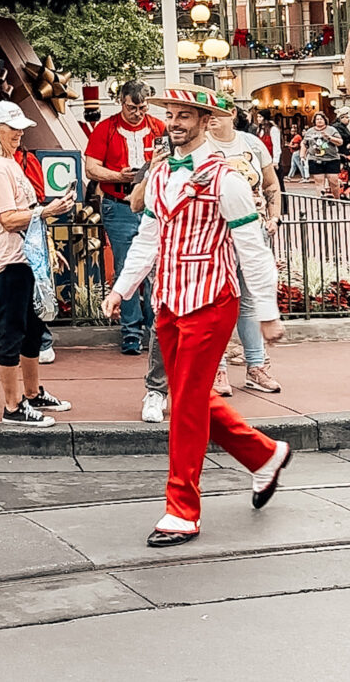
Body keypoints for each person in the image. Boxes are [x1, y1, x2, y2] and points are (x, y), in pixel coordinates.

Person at [102, 83, 291, 548]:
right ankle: (265, 454)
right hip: (168, 299)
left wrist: (267, 313)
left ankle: (181, 510)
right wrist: (122, 288)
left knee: (184, 403)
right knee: (190, 396)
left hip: (211, 299)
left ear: (207, 121)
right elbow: (148, 236)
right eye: (172, 114)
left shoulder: (227, 178)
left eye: (187, 115)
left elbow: (252, 246)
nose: (177, 122)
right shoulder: (162, 173)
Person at [0, 102, 73, 426]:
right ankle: (13, 405)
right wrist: (47, 212)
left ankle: (31, 394)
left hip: (24, 255)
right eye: (13, 127)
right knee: (13, 331)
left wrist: (45, 245)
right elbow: (7, 219)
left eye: (20, 127)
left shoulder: (6, 163)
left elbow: (20, 215)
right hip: (9, 258)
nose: (19, 132)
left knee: (32, 329)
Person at [208, 95, 283, 396]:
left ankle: (256, 366)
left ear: (232, 115)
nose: (212, 117)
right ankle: (218, 369)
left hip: (252, 227)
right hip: (215, 232)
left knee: (250, 296)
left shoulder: (251, 144)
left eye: (218, 112)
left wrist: (274, 217)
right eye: (208, 113)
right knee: (217, 300)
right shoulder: (201, 146)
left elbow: (271, 184)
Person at [84, 80, 165, 355]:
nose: (138, 113)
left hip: (151, 204)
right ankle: (131, 330)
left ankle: (155, 327)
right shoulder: (106, 129)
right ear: (122, 103)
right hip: (118, 202)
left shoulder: (158, 128)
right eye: (132, 108)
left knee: (156, 265)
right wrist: (120, 176)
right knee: (126, 265)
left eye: (142, 108)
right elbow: (91, 168)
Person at [301, 112, 343, 198]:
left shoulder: (332, 130)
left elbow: (340, 142)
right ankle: (321, 201)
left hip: (331, 159)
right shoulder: (310, 131)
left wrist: (329, 137)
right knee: (319, 181)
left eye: (321, 119)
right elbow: (305, 144)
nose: (319, 121)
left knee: (333, 181)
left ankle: (337, 199)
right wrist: (302, 155)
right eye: (317, 119)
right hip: (315, 159)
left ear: (325, 120)